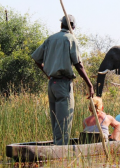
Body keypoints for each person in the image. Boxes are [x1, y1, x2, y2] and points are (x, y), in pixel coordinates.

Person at [31, 14, 94, 145]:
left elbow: (37, 59)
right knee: (64, 121)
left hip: (52, 84)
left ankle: (56, 145)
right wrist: (89, 84)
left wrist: (47, 73)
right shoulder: (71, 39)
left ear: (61, 25)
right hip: (63, 84)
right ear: (73, 27)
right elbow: (78, 64)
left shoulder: (50, 39)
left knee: (56, 121)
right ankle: (61, 153)